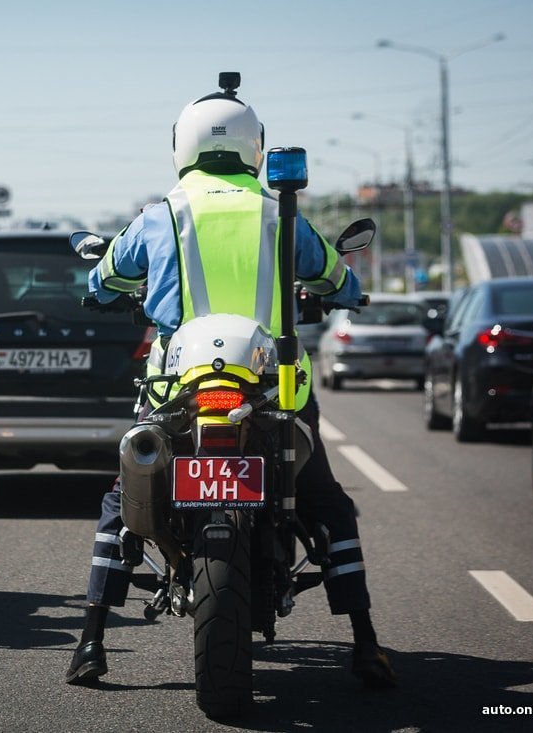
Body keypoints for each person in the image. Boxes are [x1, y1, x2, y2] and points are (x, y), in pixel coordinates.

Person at [65, 75, 397, 689]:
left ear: (181, 146)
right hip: (274, 390)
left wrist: (109, 291)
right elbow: (336, 280)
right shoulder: (281, 212)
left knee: (122, 501)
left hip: (176, 393)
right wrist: (344, 291)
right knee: (324, 503)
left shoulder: (157, 216)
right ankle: (366, 644)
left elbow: (102, 281)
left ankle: (90, 640)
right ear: (255, 146)